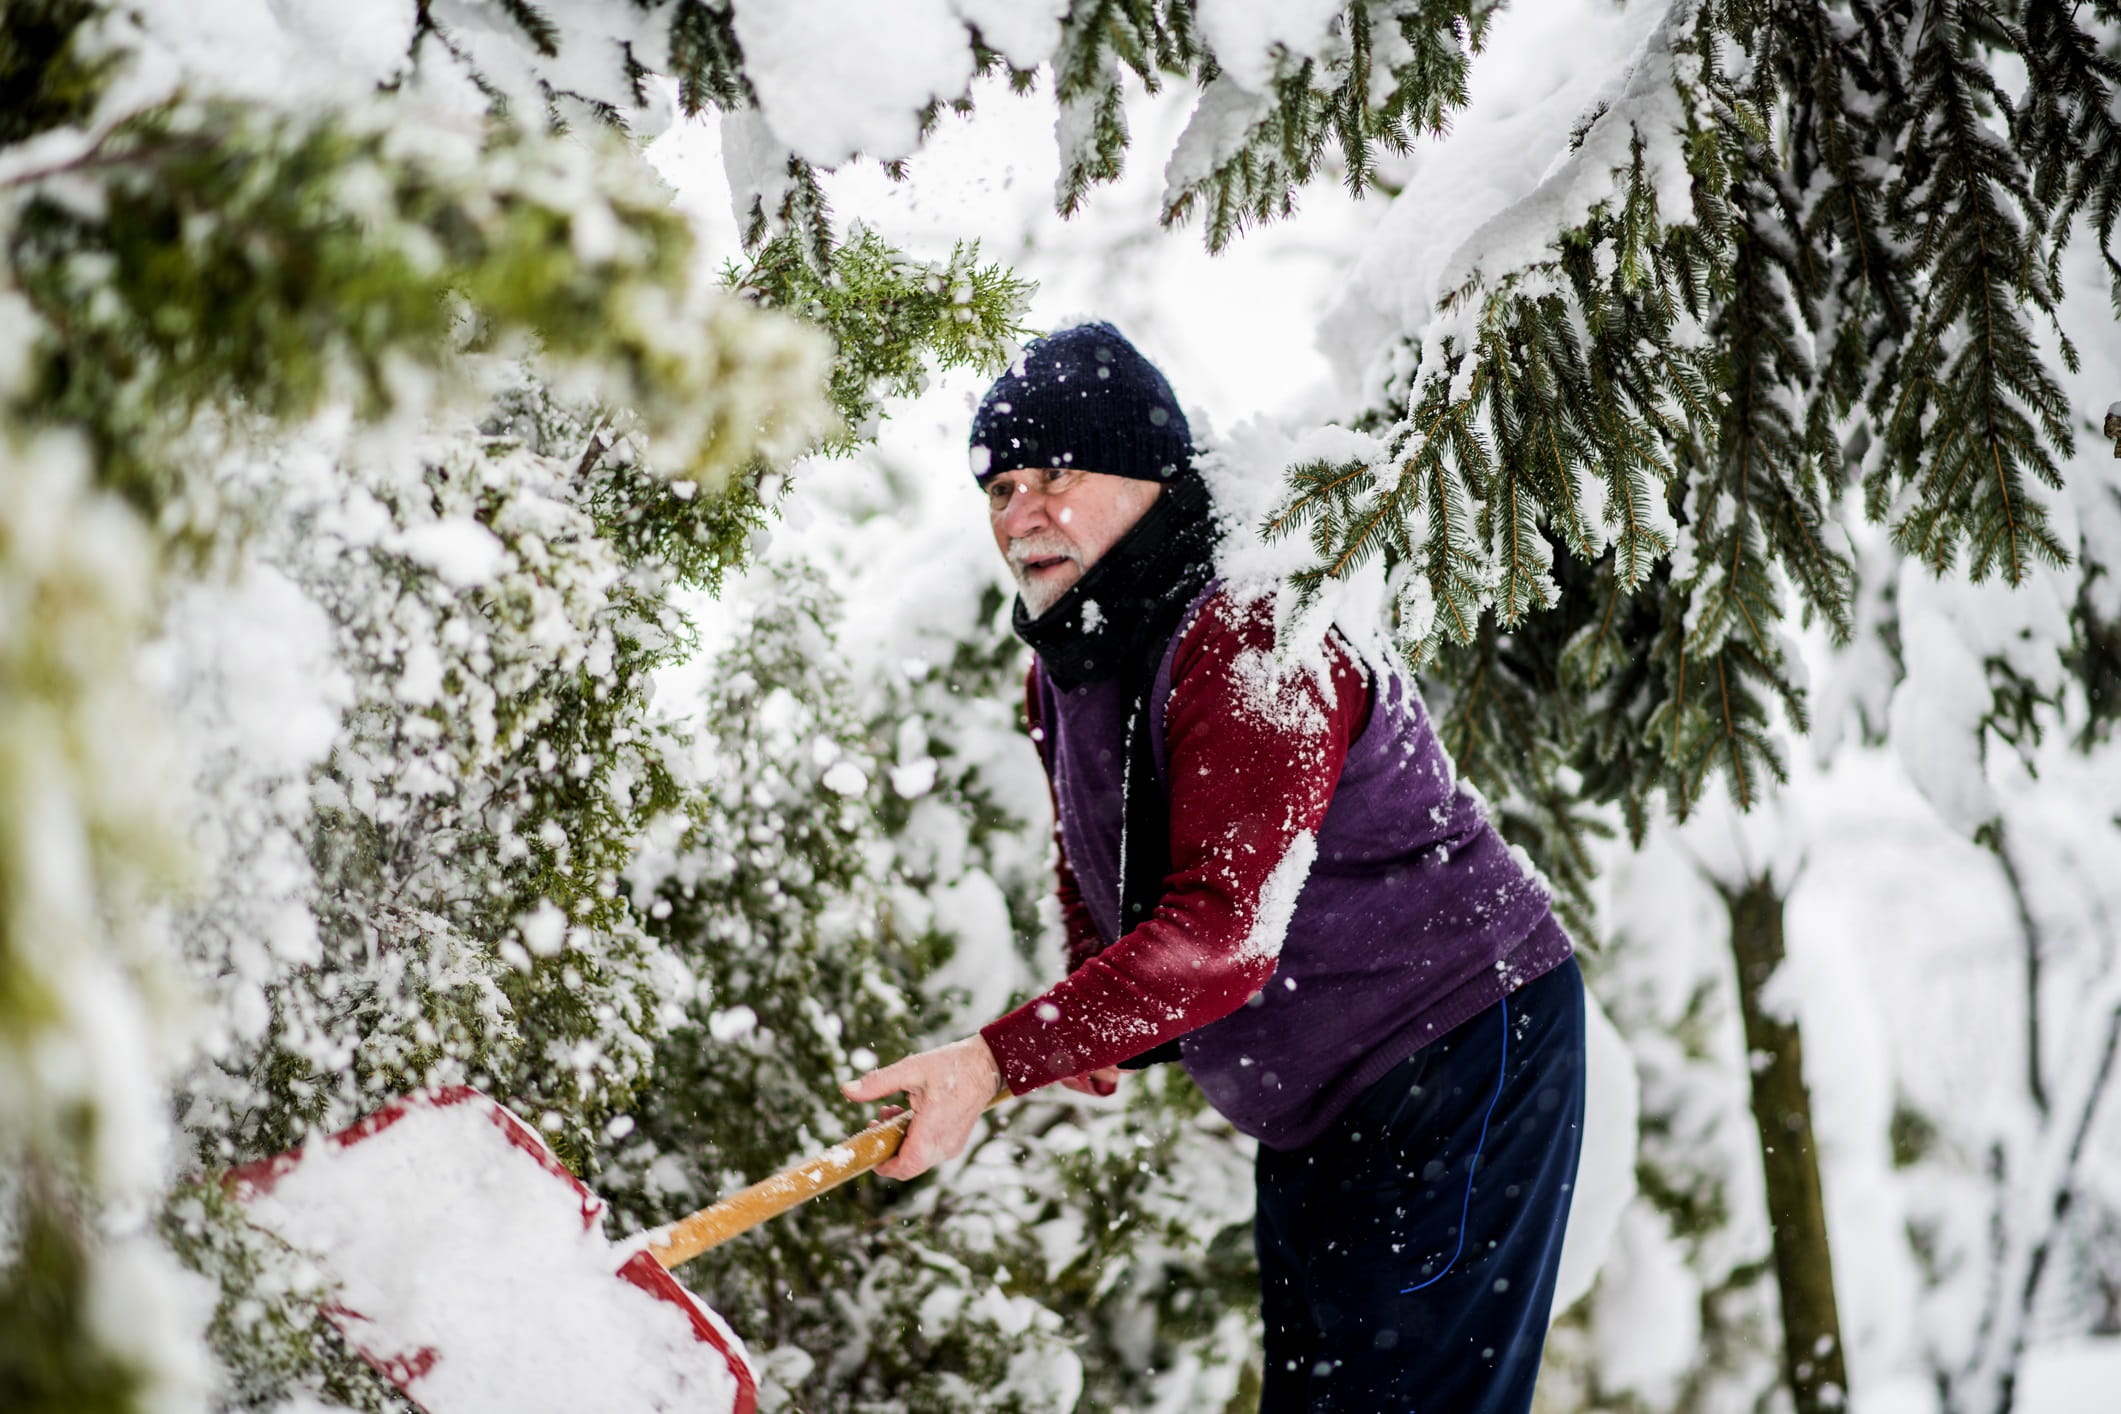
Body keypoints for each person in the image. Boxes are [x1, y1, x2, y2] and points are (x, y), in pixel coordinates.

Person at [843, 322, 1586, 1413]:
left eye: (1057, 473)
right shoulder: (1070, 660)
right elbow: (1094, 849)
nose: (1022, 513)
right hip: (1323, 1103)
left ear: (1147, 477)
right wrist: (1084, 1014)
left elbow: (1223, 934)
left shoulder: (1249, 629)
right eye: (1000, 488)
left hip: (1457, 1053)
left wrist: (1002, 1058)